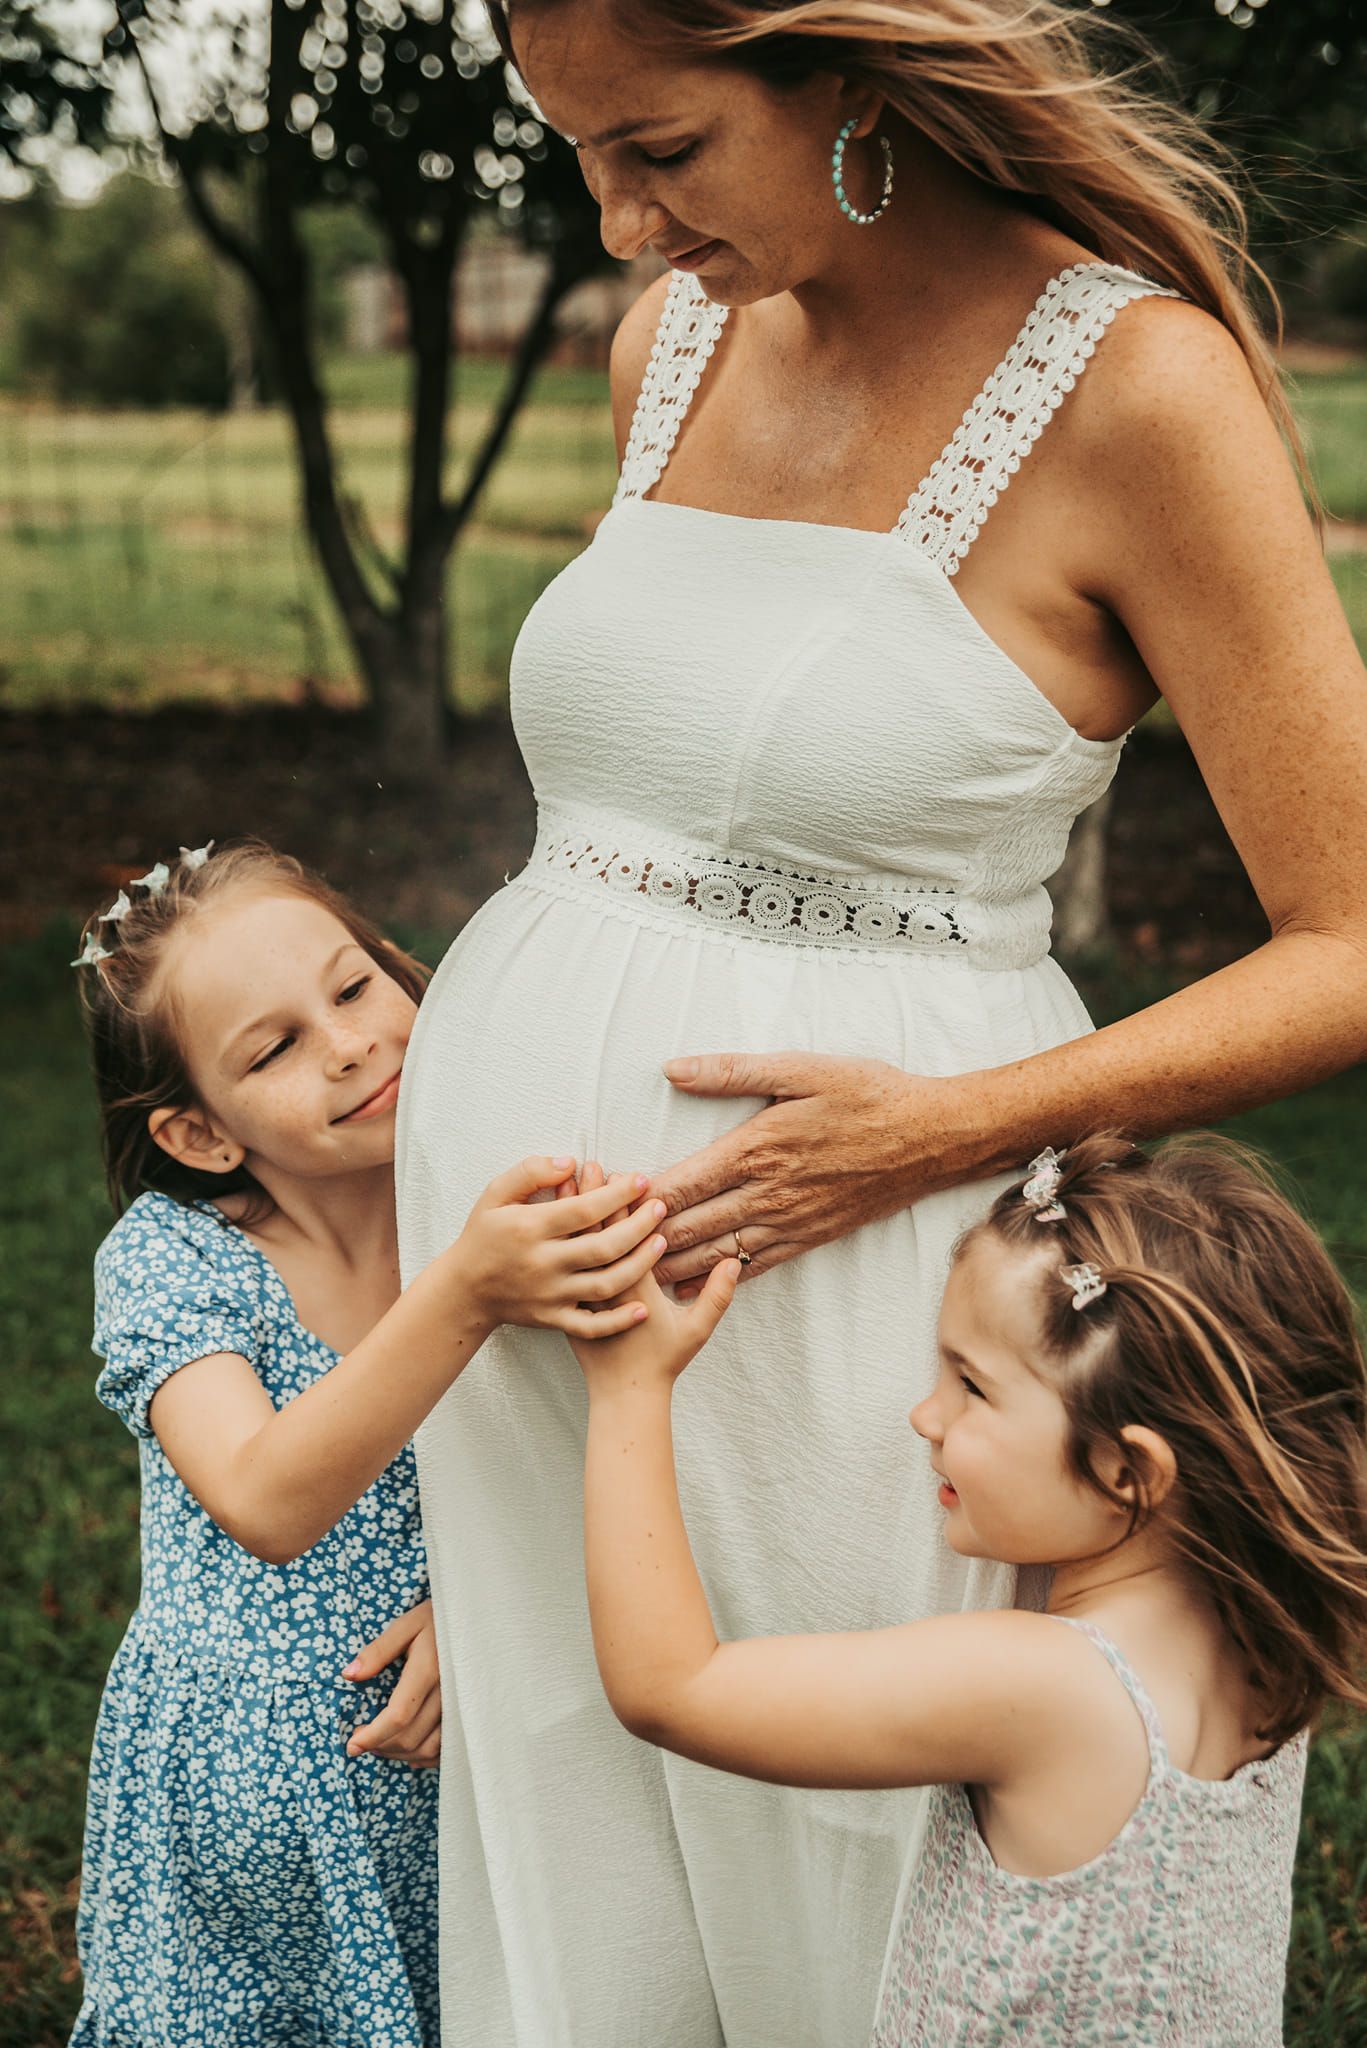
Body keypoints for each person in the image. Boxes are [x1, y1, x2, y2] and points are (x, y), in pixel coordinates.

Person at [394, 0, 1367, 2039]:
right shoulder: (663, 349)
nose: (617, 216)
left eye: (657, 146)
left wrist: (936, 1132)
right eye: (573, 152)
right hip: (539, 1290)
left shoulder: (1135, 390)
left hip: (858, 1278)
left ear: (842, 80)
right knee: (567, 1828)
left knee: (819, 1873)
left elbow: (1345, 937)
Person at [568, 1137, 1367, 2044]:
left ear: (1123, 1470)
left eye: (971, 1387)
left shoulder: (1047, 1686)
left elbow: (671, 1688)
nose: (925, 1415)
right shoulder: (1268, 1647)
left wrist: (630, 1389)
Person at [67, 840, 664, 2048]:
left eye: (351, 988)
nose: (345, 1043)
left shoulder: (484, 1208)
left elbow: (569, 1446)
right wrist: (465, 1294)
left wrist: (476, 1598)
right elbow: (263, 1495)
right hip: (252, 1809)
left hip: (470, 1755)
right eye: (274, 1047)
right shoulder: (175, 1260)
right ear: (199, 1134)